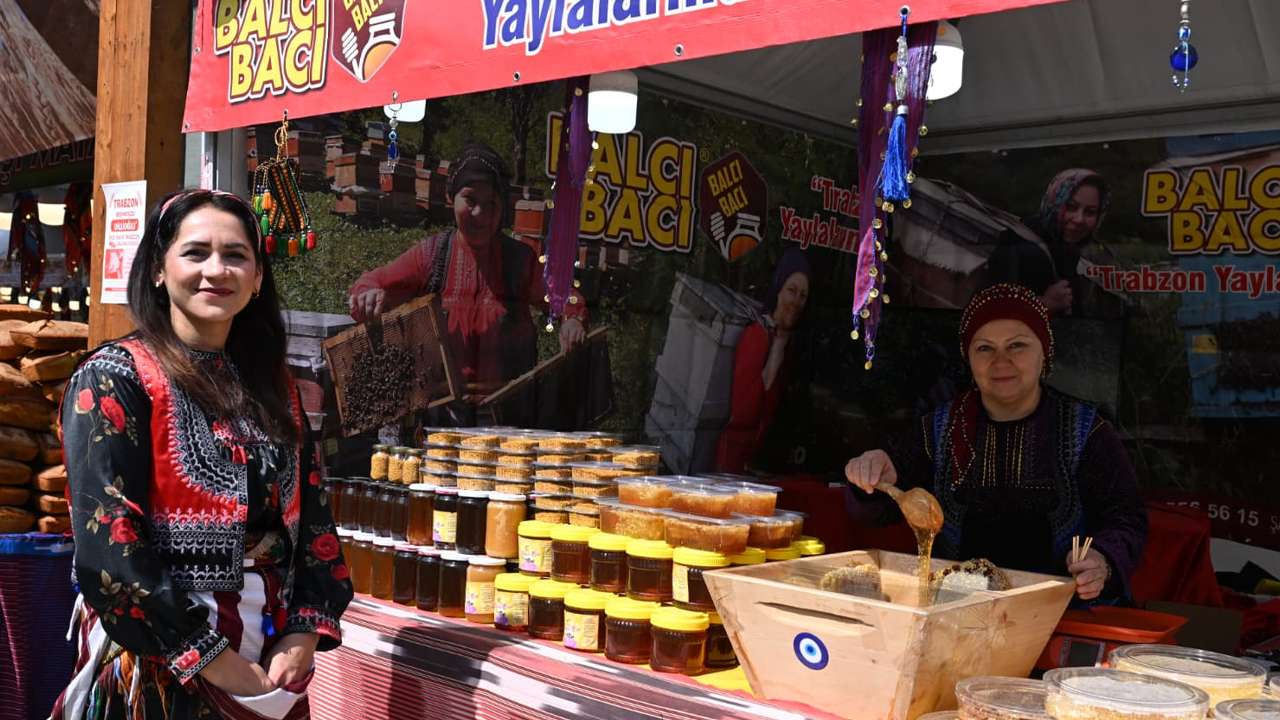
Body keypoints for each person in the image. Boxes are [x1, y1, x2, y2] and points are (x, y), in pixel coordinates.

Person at [53, 189, 352, 718]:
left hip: (269, 664)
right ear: (157, 271)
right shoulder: (114, 379)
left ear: (258, 278)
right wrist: (212, 658)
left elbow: (314, 521)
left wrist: (304, 630)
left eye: (236, 255)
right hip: (157, 663)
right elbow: (109, 546)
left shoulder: (272, 385)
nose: (217, 269)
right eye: (195, 253)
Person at [844, 283, 1146, 603]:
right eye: (985, 348)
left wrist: (1104, 561)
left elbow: (1126, 519)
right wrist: (871, 480)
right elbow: (876, 512)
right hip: (958, 611)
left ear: (1044, 353)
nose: (1001, 361)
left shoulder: (1087, 431)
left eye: (1017, 346)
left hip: (1062, 613)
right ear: (969, 360)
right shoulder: (940, 427)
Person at [348, 143, 587, 421]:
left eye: (491, 205)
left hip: (509, 417)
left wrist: (572, 319)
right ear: (452, 199)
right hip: (441, 417)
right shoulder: (431, 255)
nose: (480, 214)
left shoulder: (520, 261)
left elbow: (564, 297)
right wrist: (367, 294)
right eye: (470, 200)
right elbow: (371, 282)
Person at [716, 248, 811, 473]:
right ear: (778, 290)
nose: (796, 301)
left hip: (757, 463)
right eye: (792, 290)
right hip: (732, 460)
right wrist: (775, 353)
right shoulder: (757, 335)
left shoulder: (790, 343)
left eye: (803, 295)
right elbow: (744, 412)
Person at [985, 169, 1112, 316]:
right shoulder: (1019, 243)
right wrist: (1043, 304)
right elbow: (990, 311)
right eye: (1071, 207)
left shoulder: (1072, 250)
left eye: (1090, 212)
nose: (1079, 219)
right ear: (1054, 203)